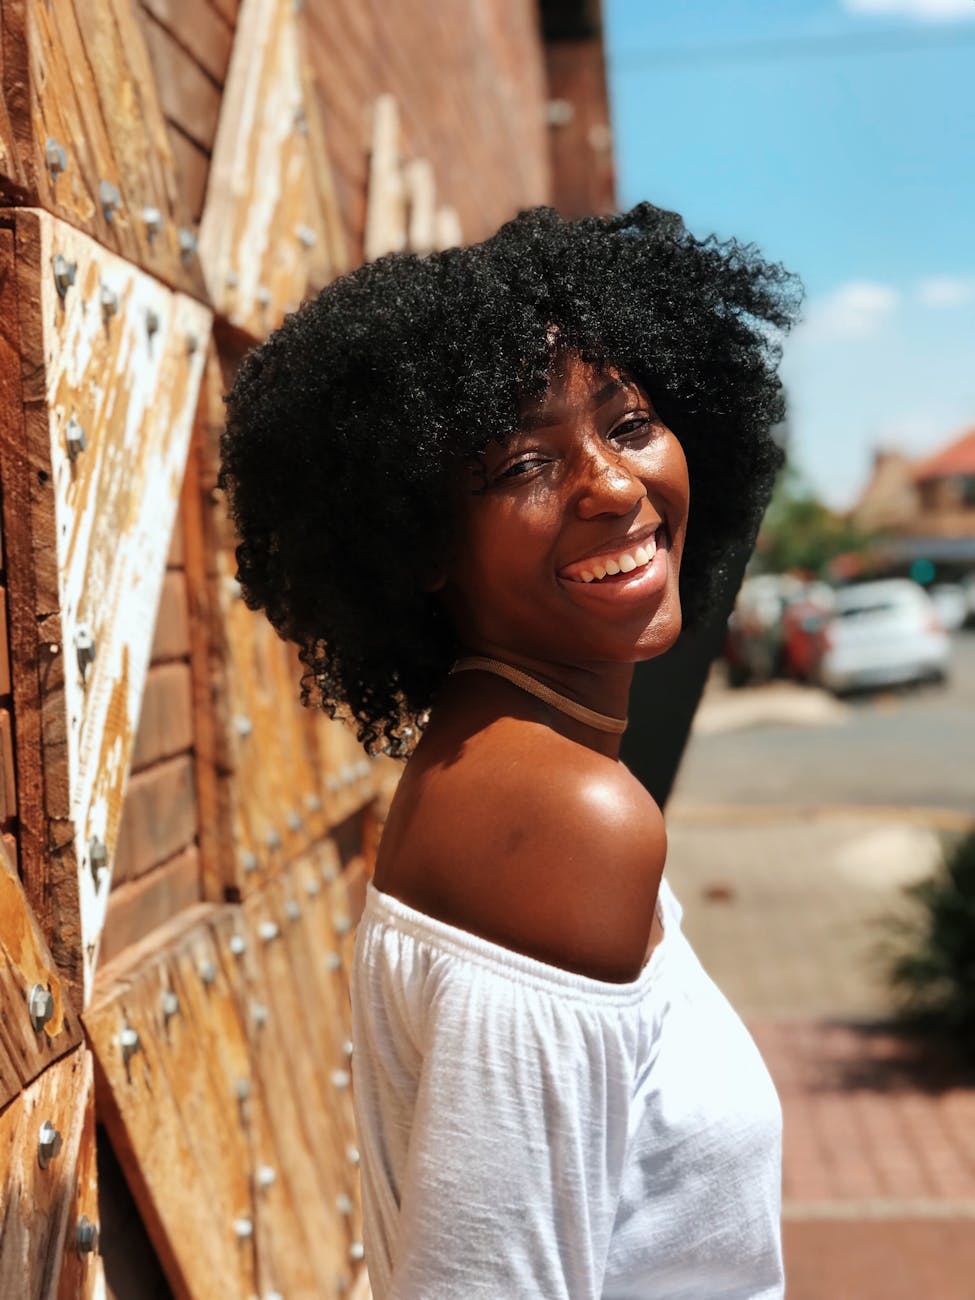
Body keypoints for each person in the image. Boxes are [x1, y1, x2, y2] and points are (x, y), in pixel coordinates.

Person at [219, 203, 801, 1299]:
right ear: (422, 541)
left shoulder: (504, 762)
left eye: (628, 424)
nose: (615, 486)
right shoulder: (561, 817)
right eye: (528, 460)